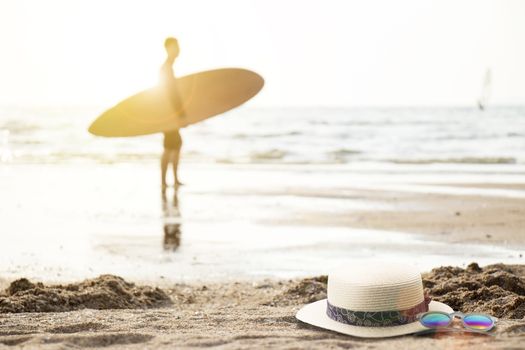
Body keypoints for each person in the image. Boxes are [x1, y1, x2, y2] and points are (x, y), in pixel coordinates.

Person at [160, 37, 184, 191]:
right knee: (170, 147)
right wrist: (178, 113)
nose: (178, 49)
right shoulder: (166, 68)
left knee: (175, 145)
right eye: (175, 46)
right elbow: (169, 93)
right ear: (168, 48)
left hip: (169, 114)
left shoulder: (168, 67)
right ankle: (165, 181)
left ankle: (173, 179)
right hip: (168, 114)